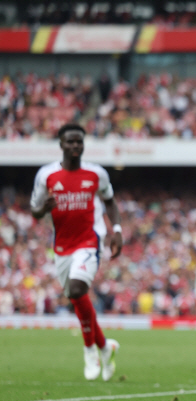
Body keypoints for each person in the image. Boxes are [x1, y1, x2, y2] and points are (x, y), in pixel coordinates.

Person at [30, 123, 123, 381]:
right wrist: (43, 208)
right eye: (69, 142)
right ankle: (105, 346)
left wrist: (116, 229)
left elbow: (110, 201)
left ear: (83, 144)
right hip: (61, 247)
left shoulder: (96, 174)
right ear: (61, 144)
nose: (74, 146)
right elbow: (34, 210)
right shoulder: (46, 175)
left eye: (78, 142)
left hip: (89, 241)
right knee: (75, 296)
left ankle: (89, 349)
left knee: (78, 288)